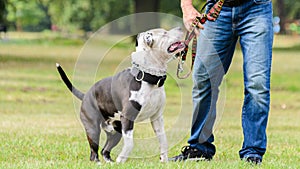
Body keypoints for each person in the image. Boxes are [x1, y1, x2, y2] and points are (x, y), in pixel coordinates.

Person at [169, 0, 273, 164]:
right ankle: (199, 148)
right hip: (217, 10)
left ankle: (252, 153)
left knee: (257, 84)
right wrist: (186, 6)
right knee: (203, 80)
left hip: (256, 9)